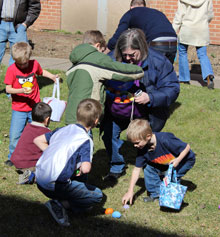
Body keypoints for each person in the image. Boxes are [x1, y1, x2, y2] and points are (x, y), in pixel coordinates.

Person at [102, 28, 179, 180]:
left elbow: (172, 88)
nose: (129, 58)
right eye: (125, 55)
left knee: (149, 141)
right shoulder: (111, 59)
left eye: (133, 55)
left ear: (142, 49)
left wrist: (150, 97)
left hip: (146, 111)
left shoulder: (158, 62)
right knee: (109, 134)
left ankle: (151, 167)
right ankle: (116, 165)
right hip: (118, 108)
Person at [35, 99, 103, 227]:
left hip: (39, 177)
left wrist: (52, 152)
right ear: (95, 121)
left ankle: (72, 202)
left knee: (77, 174)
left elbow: (38, 140)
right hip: (54, 184)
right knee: (97, 195)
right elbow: (86, 168)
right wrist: (80, 167)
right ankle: (59, 204)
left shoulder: (63, 129)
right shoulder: (85, 139)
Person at [65, 30, 144, 125]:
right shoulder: (97, 58)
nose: (103, 54)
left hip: (71, 115)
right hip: (86, 116)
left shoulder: (75, 63)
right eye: (102, 51)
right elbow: (119, 71)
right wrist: (139, 71)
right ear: (98, 46)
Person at [4, 42, 57, 167]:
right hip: (19, 108)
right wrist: (21, 90)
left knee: (39, 131)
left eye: (25, 63)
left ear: (29, 58)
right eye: (19, 64)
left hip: (34, 107)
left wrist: (52, 77)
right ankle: (13, 156)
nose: (22, 66)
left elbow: (41, 71)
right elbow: (8, 89)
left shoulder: (34, 64)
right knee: (15, 134)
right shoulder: (12, 69)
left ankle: (39, 153)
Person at [122, 119, 195, 204]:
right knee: (148, 167)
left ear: (148, 136)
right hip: (165, 162)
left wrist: (178, 160)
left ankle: (173, 199)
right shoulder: (142, 149)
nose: (135, 146)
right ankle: (156, 194)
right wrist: (130, 191)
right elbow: (136, 169)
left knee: (172, 176)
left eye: (137, 143)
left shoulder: (165, 139)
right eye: (133, 143)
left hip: (184, 160)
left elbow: (187, 147)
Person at [107, 0, 177, 64]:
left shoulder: (130, 13)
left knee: (151, 72)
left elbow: (118, 36)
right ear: (144, 6)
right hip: (174, 41)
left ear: (131, 7)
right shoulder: (157, 12)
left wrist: (106, 51)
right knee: (166, 72)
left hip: (157, 43)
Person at [172, 0, 214, 88]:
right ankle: (208, 75)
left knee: (183, 52)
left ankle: (184, 79)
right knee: (202, 54)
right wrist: (204, 22)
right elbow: (210, 14)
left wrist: (173, 30)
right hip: (201, 29)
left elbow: (179, 15)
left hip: (187, 29)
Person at [10, 102, 52, 184]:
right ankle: (32, 176)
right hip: (29, 163)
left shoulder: (28, 127)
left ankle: (25, 173)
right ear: (47, 119)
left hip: (17, 161)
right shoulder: (46, 132)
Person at [0, 0, 41, 65]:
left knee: (19, 59)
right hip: (1, 24)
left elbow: (35, 7)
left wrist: (25, 24)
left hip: (18, 26)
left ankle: (14, 75)